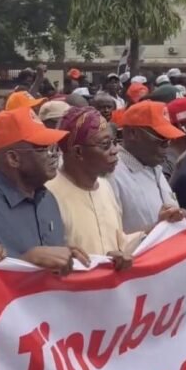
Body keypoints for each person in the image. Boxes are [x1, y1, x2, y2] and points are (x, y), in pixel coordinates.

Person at [0, 107, 91, 273]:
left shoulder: (47, 199)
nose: (54, 155)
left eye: (53, 147)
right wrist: (25, 261)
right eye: (43, 148)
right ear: (13, 158)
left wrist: (66, 257)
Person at [45, 107, 133, 268]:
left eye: (114, 142)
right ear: (78, 152)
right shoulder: (48, 196)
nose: (115, 150)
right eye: (105, 145)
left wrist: (161, 227)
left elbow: (120, 241)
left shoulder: (105, 187)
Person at [109, 102, 186, 234]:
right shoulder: (112, 175)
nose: (167, 146)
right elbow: (111, 238)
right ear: (133, 133)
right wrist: (155, 228)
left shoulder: (154, 165)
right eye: (162, 140)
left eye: (169, 140)